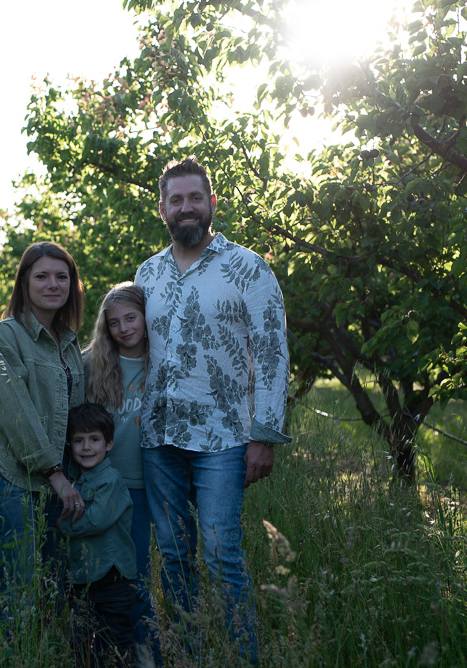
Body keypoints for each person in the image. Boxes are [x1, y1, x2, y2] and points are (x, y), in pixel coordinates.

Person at [134, 156, 291, 663]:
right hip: (158, 437)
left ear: (211, 203)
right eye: (176, 200)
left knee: (222, 555)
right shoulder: (147, 273)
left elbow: (272, 351)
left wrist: (264, 434)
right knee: (175, 556)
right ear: (162, 209)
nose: (186, 208)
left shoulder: (248, 267)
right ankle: (191, 650)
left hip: (224, 438)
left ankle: (242, 655)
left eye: (194, 198)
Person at [0, 241, 87, 628]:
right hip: (10, 478)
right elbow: (14, 410)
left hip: (57, 482)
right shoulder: (5, 336)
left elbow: (77, 416)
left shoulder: (68, 344)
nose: (53, 284)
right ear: (24, 283)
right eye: (41, 276)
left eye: (61, 276)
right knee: (16, 594)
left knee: (57, 589)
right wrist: (55, 473)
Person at [83, 282, 162, 666]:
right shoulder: (93, 362)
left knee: (144, 574)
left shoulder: (163, 360)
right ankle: (115, 647)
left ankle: (148, 649)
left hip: (153, 484)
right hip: (110, 485)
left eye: (131, 317)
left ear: (147, 317)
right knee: (118, 575)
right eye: (114, 323)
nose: (124, 328)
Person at [58, 402, 137, 668]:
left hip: (113, 579)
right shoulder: (73, 481)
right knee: (83, 644)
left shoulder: (110, 480)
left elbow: (95, 520)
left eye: (94, 439)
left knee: (118, 644)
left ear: (109, 443)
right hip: (83, 579)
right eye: (79, 441)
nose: (87, 447)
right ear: (70, 445)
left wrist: (60, 525)